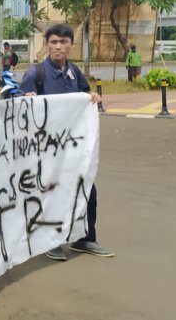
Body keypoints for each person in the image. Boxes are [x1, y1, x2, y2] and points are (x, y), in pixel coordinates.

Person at [18, 23, 114, 261]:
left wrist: (92, 97)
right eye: (53, 42)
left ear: (71, 45)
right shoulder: (36, 73)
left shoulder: (75, 73)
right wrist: (26, 98)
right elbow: (16, 102)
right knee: (50, 193)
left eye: (63, 42)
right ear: (47, 44)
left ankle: (86, 238)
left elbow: (84, 96)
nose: (58, 47)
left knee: (86, 189)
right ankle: (50, 241)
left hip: (73, 147)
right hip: (46, 149)